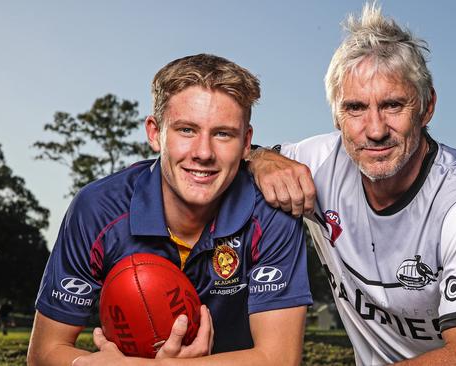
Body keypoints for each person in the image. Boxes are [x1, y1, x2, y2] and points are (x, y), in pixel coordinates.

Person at [248, 4, 456, 365]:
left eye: (393, 105)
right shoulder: (316, 162)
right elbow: (231, 157)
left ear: (427, 106)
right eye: (355, 108)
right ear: (337, 116)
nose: (374, 130)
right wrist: (259, 159)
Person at [27, 54, 312, 366]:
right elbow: (44, 352)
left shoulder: (272, 210)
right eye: (186, 130)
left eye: (222, 134)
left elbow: (279, 358)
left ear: (246, 143)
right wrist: (85, 363)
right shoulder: (98, 208)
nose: (203, 153)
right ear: (154, 133)